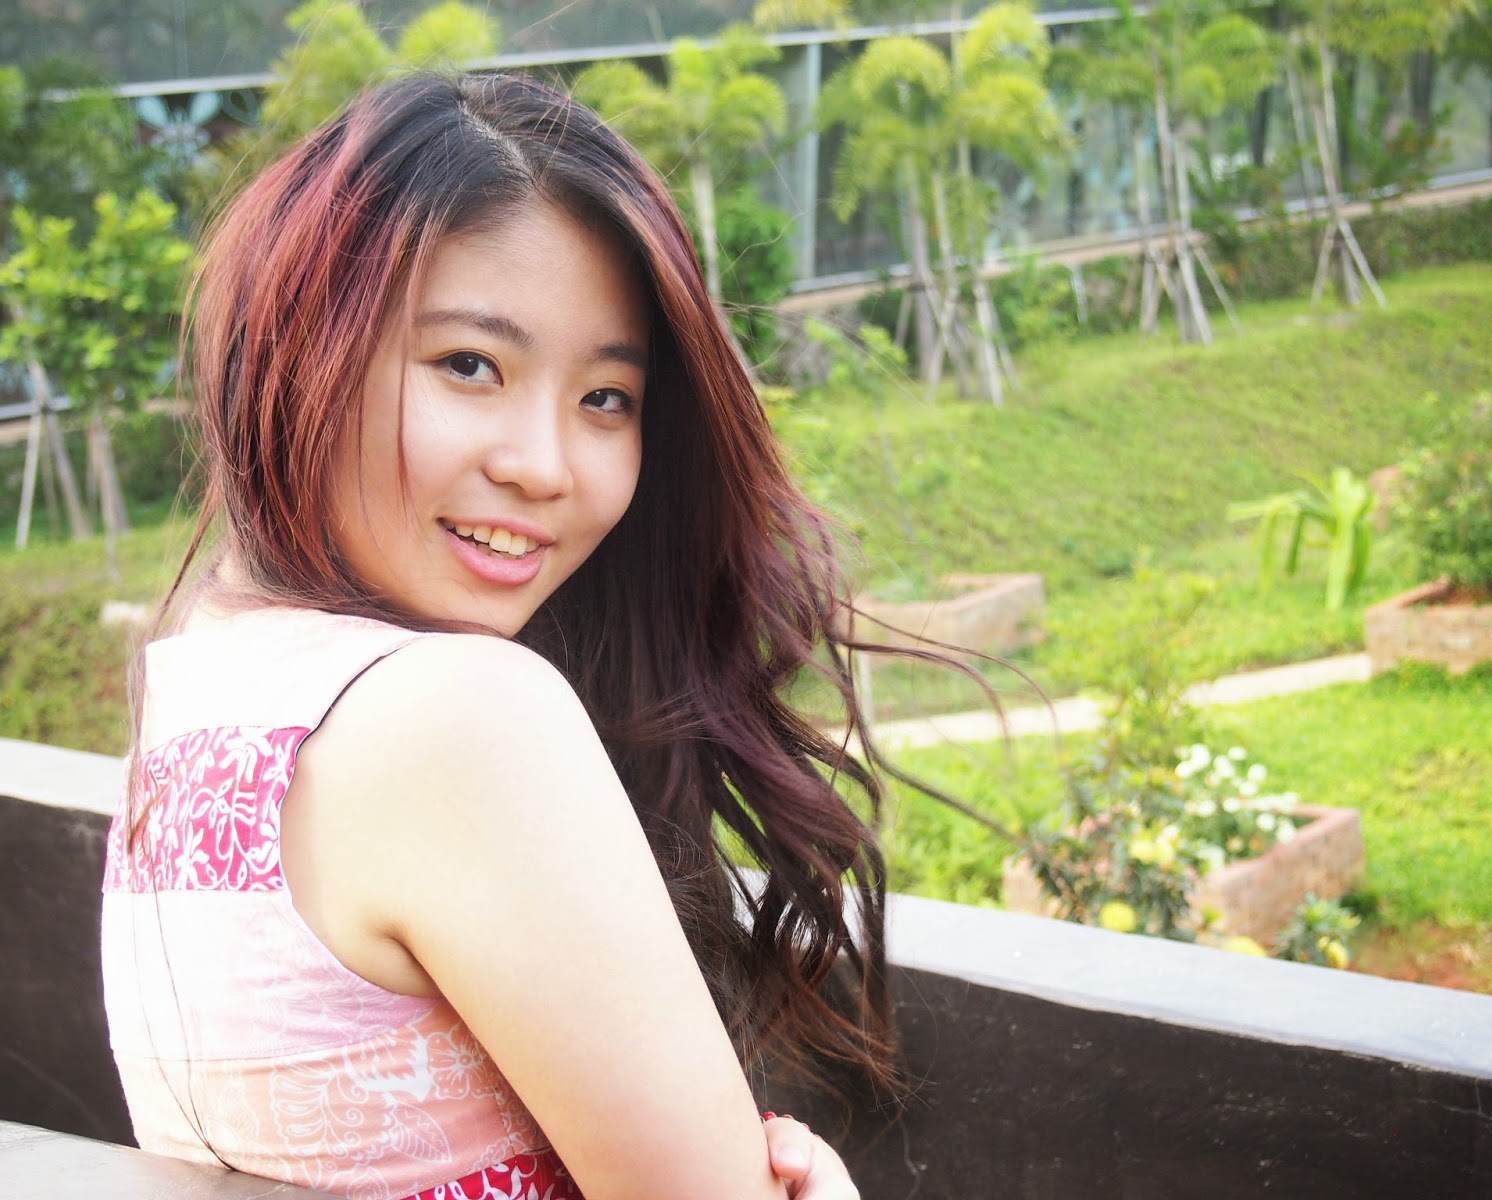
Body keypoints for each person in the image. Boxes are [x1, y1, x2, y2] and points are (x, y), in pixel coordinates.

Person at [100, 73, 900, 1200]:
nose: (544, 465)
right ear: (297, 353)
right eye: (469, 365)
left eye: (606, 398)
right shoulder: (456, 712)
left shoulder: (203, 685)